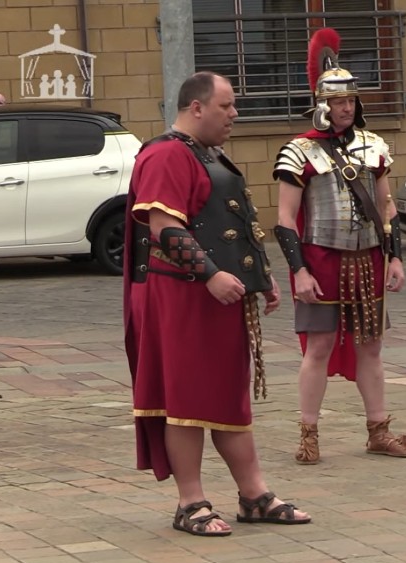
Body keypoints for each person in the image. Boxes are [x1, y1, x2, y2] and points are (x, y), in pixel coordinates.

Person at [123, 71, 311, 537]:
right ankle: (191, 502)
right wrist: (209, 275)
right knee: (186, 399)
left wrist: (259, 278)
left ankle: (253, 493)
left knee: (227, 394)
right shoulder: (167, 153)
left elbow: (238, 223)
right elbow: (164, 226)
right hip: (181, 295)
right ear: (197, 107)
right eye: (226, 106)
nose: (234, 114)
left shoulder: (209, 155)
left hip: (218, 296)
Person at [272, 28, 406, 465]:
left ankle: (378, 429)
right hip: (321, 258)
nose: (346, 108)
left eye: (351, 100)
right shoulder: (299, 151)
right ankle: (309, 433)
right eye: (338, 102)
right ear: (322, 104)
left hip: (368, 257)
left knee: (371, 346)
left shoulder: (374, 147)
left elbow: (387, 209)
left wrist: (395, 258)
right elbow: (283, 221)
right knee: (318, 346)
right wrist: (299, 271)